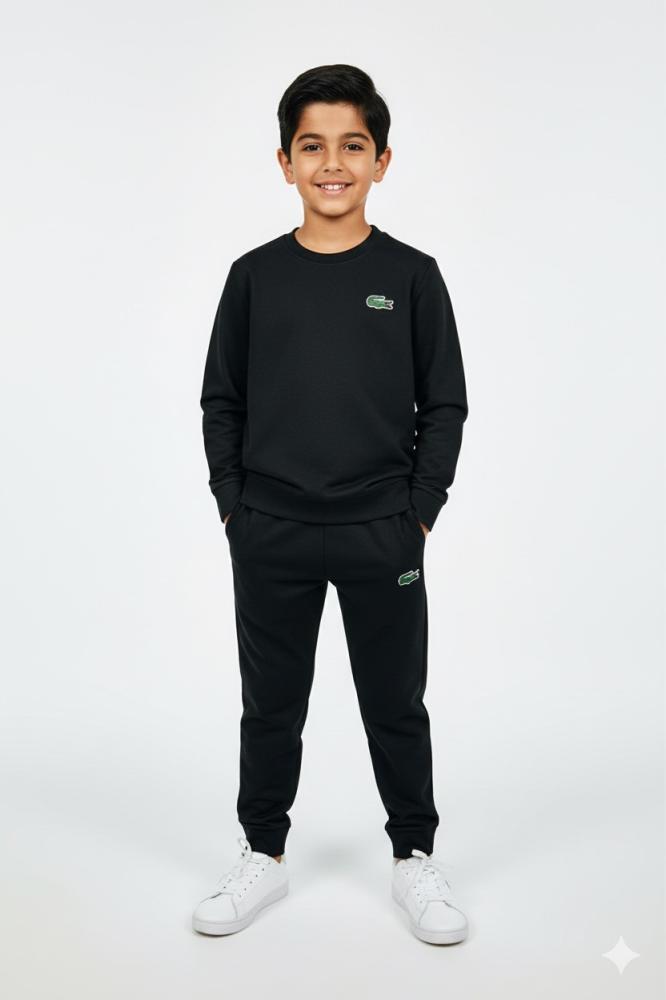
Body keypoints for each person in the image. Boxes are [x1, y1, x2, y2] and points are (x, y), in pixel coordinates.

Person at [192, 64, 470, 946]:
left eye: (353, 145)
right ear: (285, 162)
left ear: (382, 160)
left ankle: (414, 857)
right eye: (312, 146)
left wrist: (418, 512)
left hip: (381, 531)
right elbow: (221, 400)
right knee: (270, 704)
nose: (333, 164)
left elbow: (445, 404)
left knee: (396, 702)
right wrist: (233, 506)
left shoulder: (412, 276)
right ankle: (262, 854)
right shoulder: (253, 276)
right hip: (269, 530)